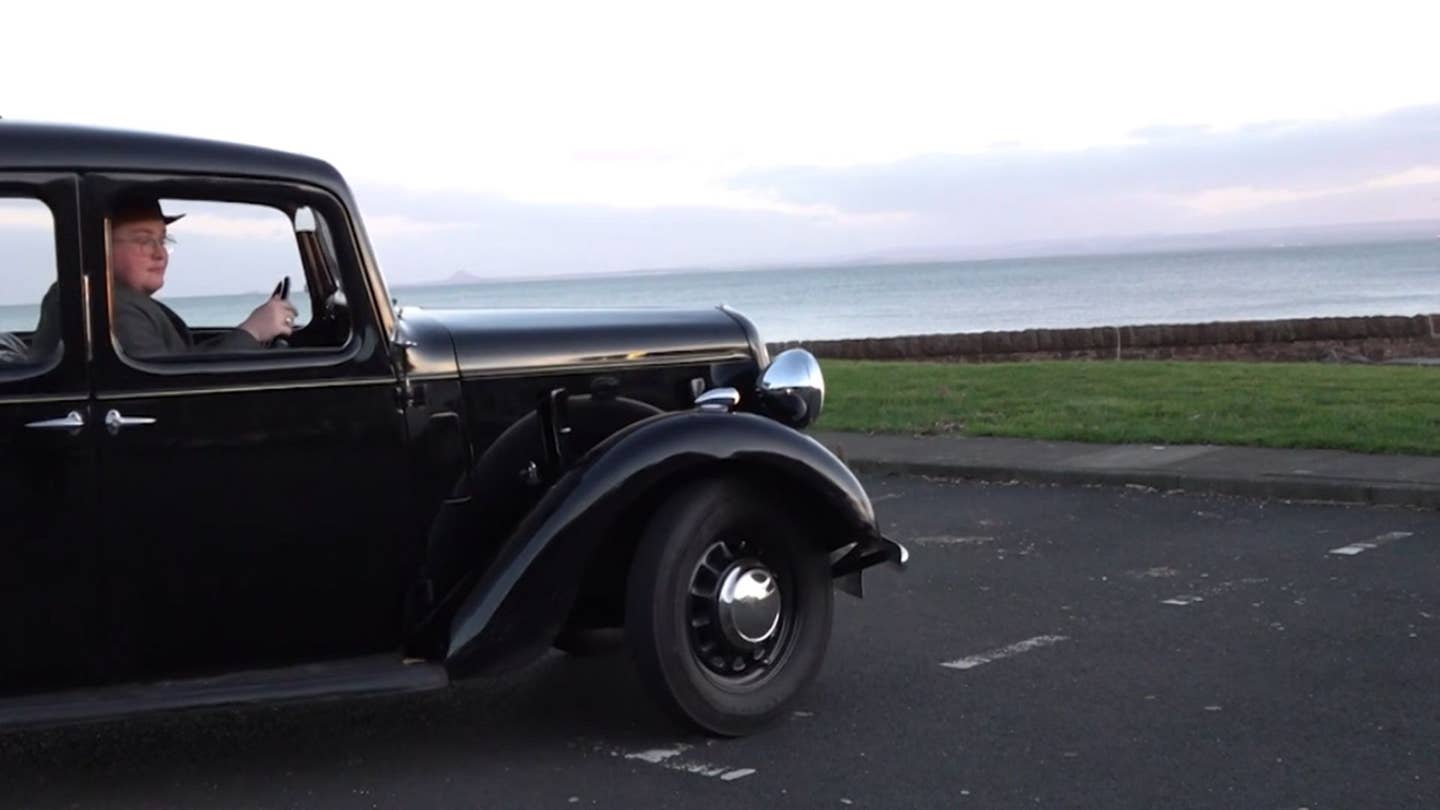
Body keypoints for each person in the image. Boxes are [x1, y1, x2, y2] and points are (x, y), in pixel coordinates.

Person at [31, 195, 297, 358]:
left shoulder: (115, 297)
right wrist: (252, 331)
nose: (160, 254)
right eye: (144, 240)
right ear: (100, 247)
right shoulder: (108, 307)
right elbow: (171, 384)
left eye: (162, 239)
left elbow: (182, 360)